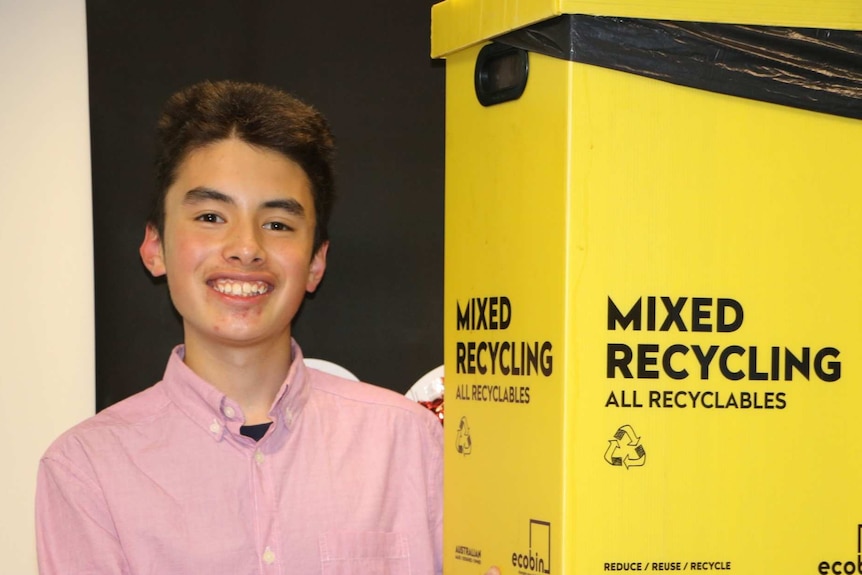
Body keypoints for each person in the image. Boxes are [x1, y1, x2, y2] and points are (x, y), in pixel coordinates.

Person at [36, 80, 457, 574]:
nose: (246, 247)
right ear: (155, 248)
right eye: (211, 216)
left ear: (317, 262)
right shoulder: (87, 470)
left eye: (278, 224)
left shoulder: (412, 443)